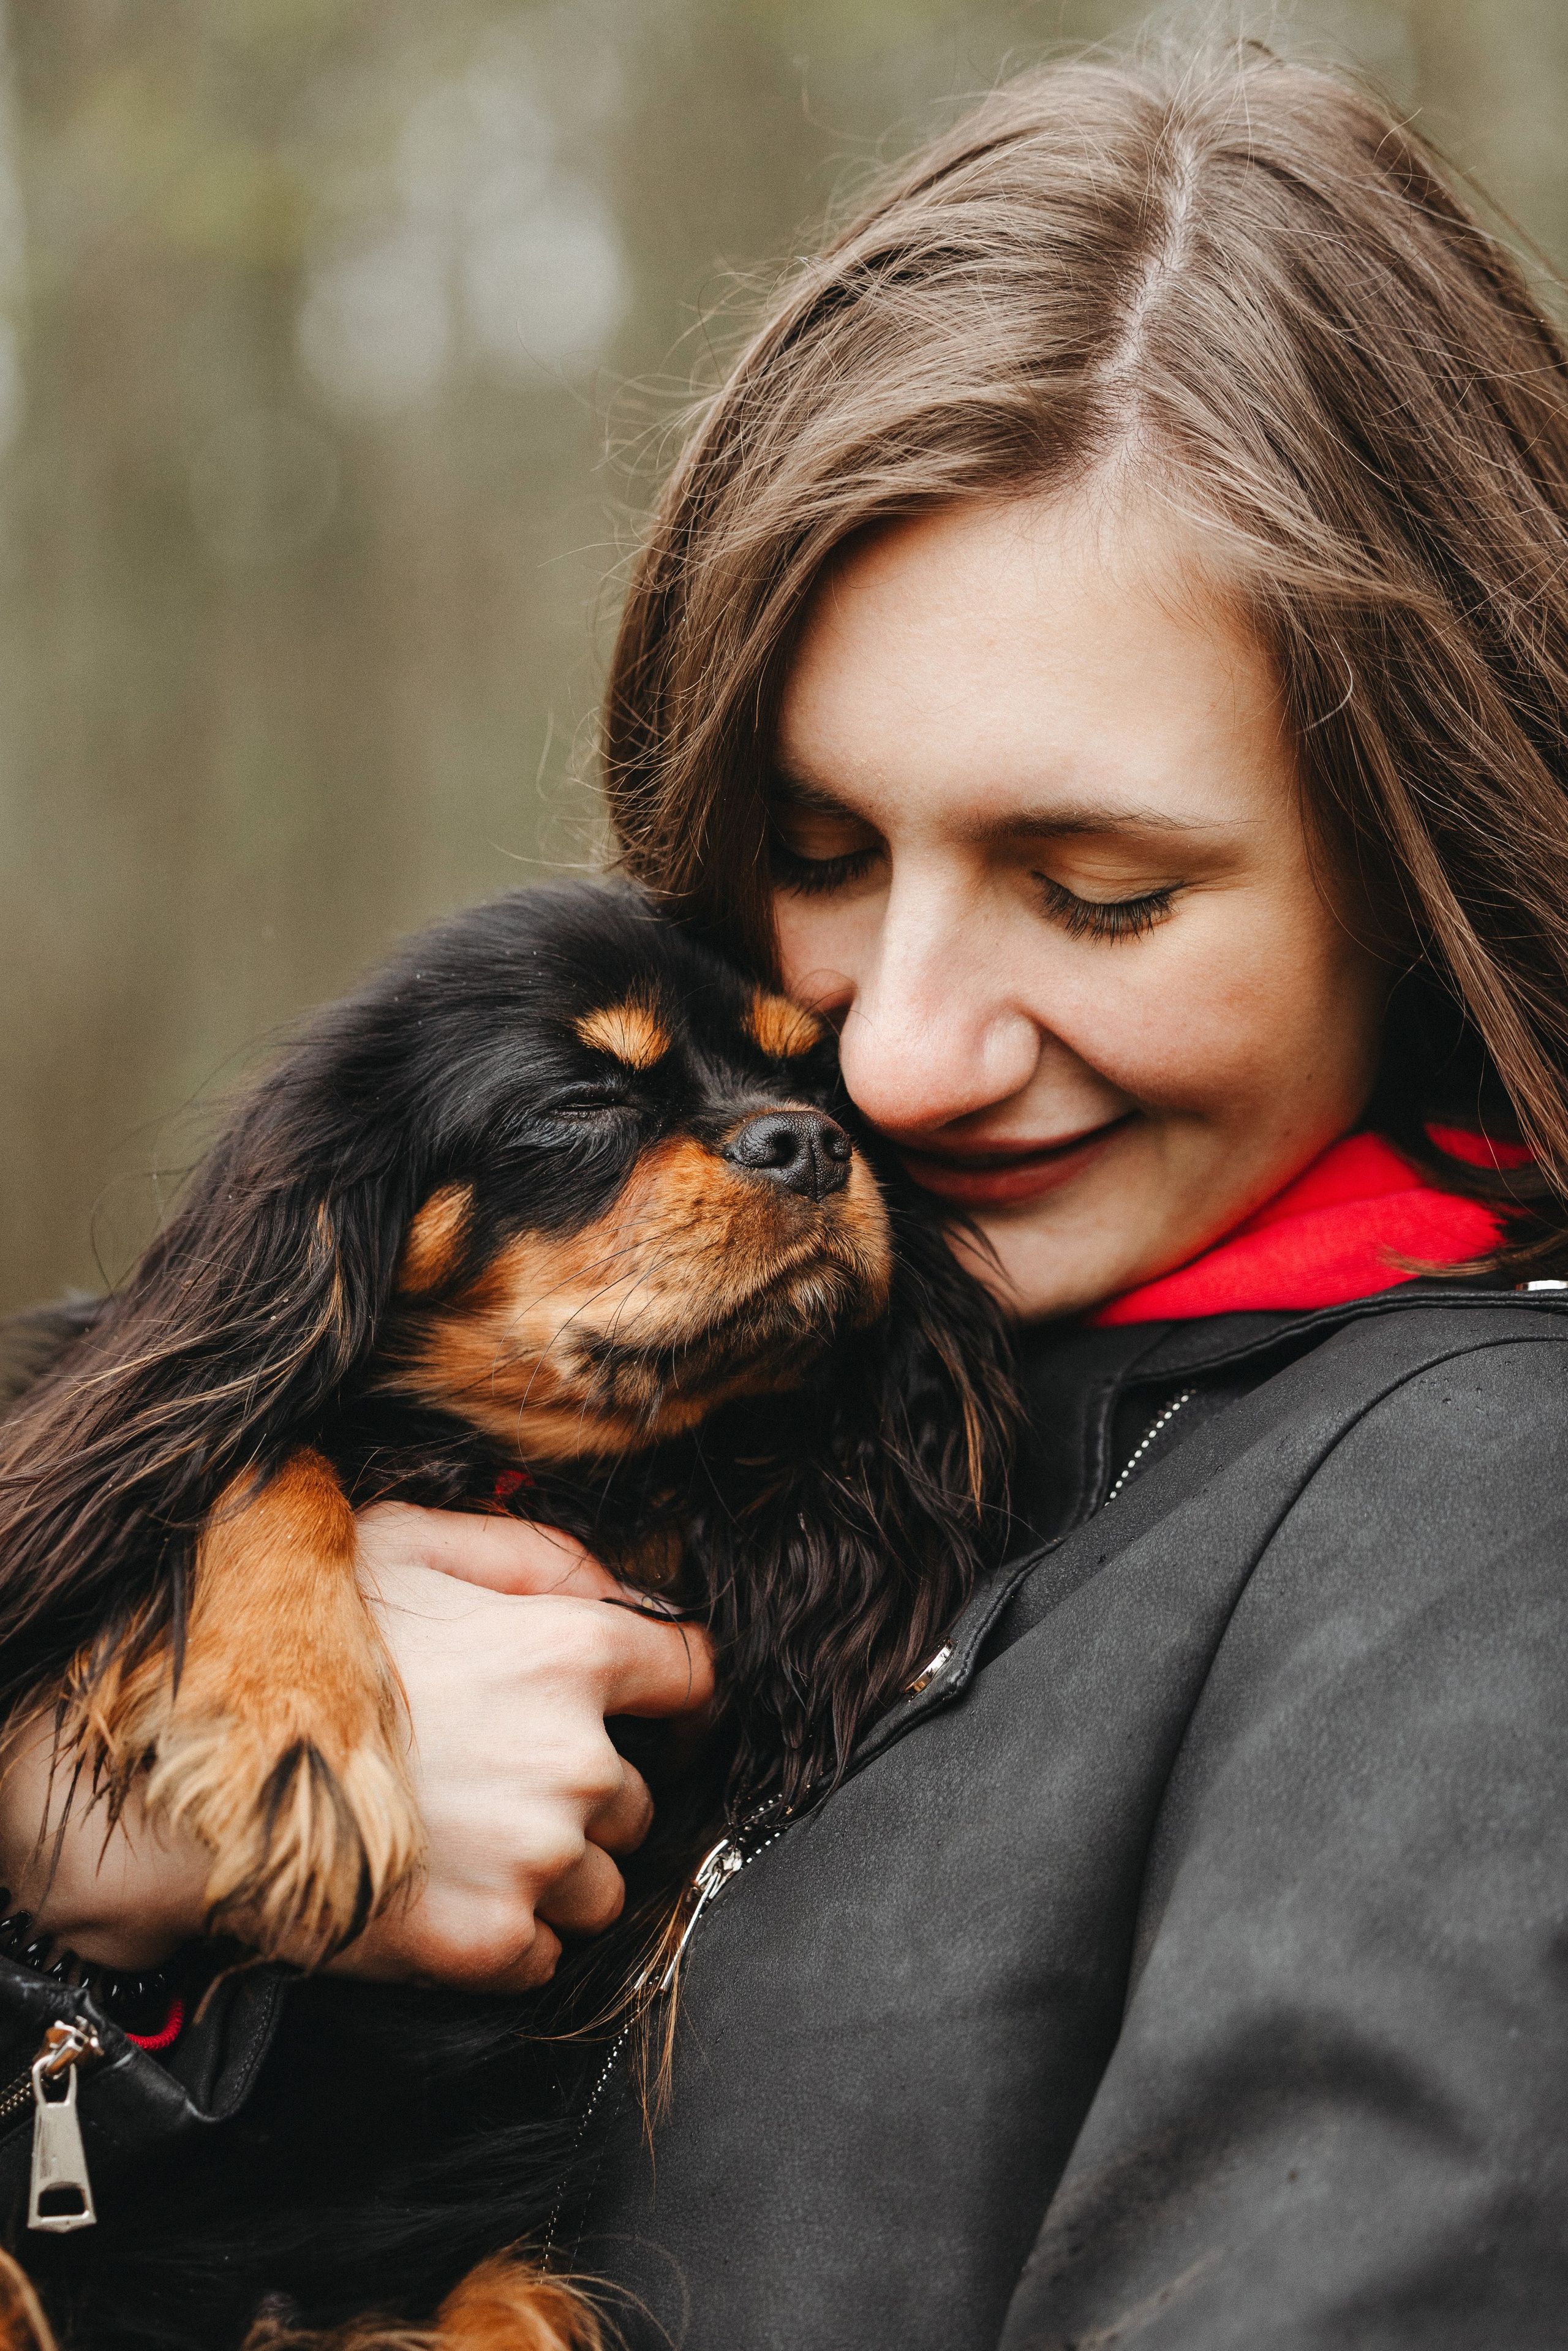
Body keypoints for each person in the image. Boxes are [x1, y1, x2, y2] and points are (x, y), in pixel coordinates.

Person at [6, 37, 1568, 2350]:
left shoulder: (1473, 1519)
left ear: (1428, 869)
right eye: (820, 860)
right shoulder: (800, 1409)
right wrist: (88, 1832)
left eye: (1104, 890)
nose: (896, 1054)